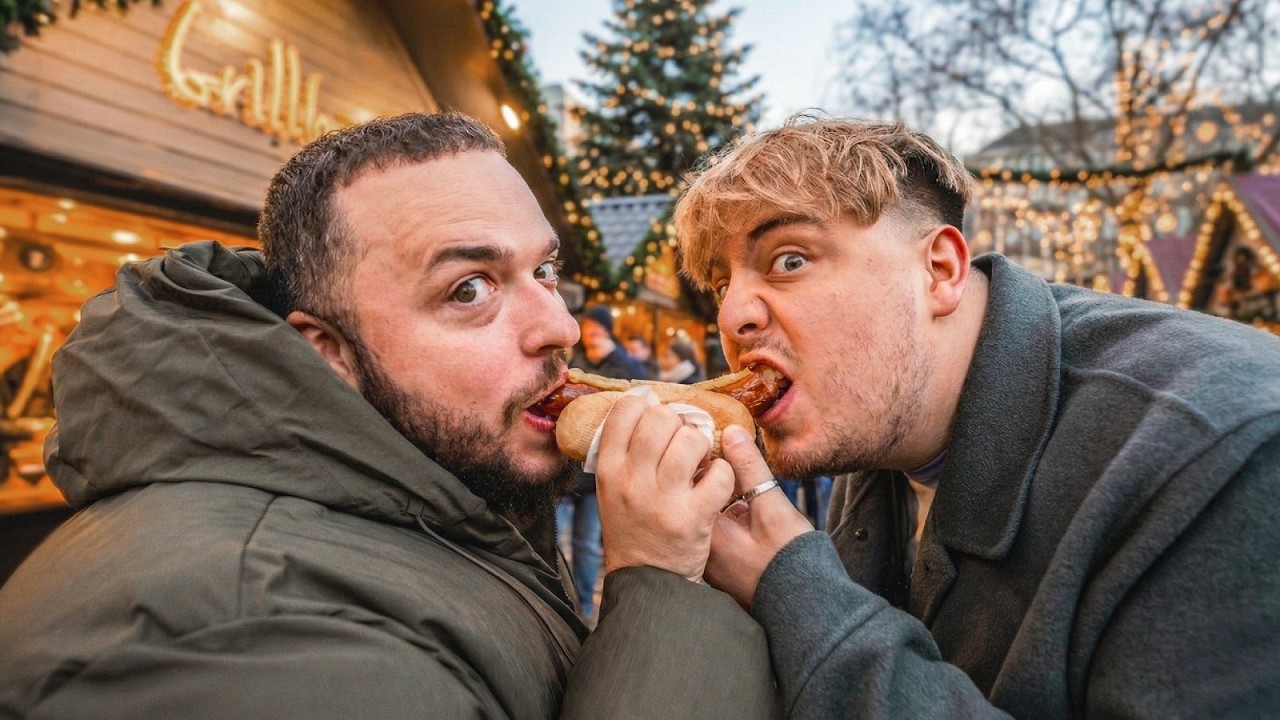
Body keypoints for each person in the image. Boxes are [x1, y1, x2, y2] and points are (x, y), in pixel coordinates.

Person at [0, 113, 777, 719]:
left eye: (544, 270)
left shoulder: (446, 487)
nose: (561, 327)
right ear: (329, 353)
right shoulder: (247, 631)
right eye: (469, 289)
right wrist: (661, 587)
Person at [591, 116, 1280, 718]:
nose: (732, 316)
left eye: (789, 259)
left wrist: (793, 590)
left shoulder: (1223, 454)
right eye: (721, 283)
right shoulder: (881, 427)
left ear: (941, 270)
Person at [557, 305, 649, 623]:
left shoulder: (624, 365)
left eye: (596, 329)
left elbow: (640, 401)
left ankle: (583, 605)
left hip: (597, 475)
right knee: (554, 542)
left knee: (586, 544)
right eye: (588, 329)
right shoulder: (576, 362)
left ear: (607, 331)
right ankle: (562, 605)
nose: (591, 335)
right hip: (565, 471)